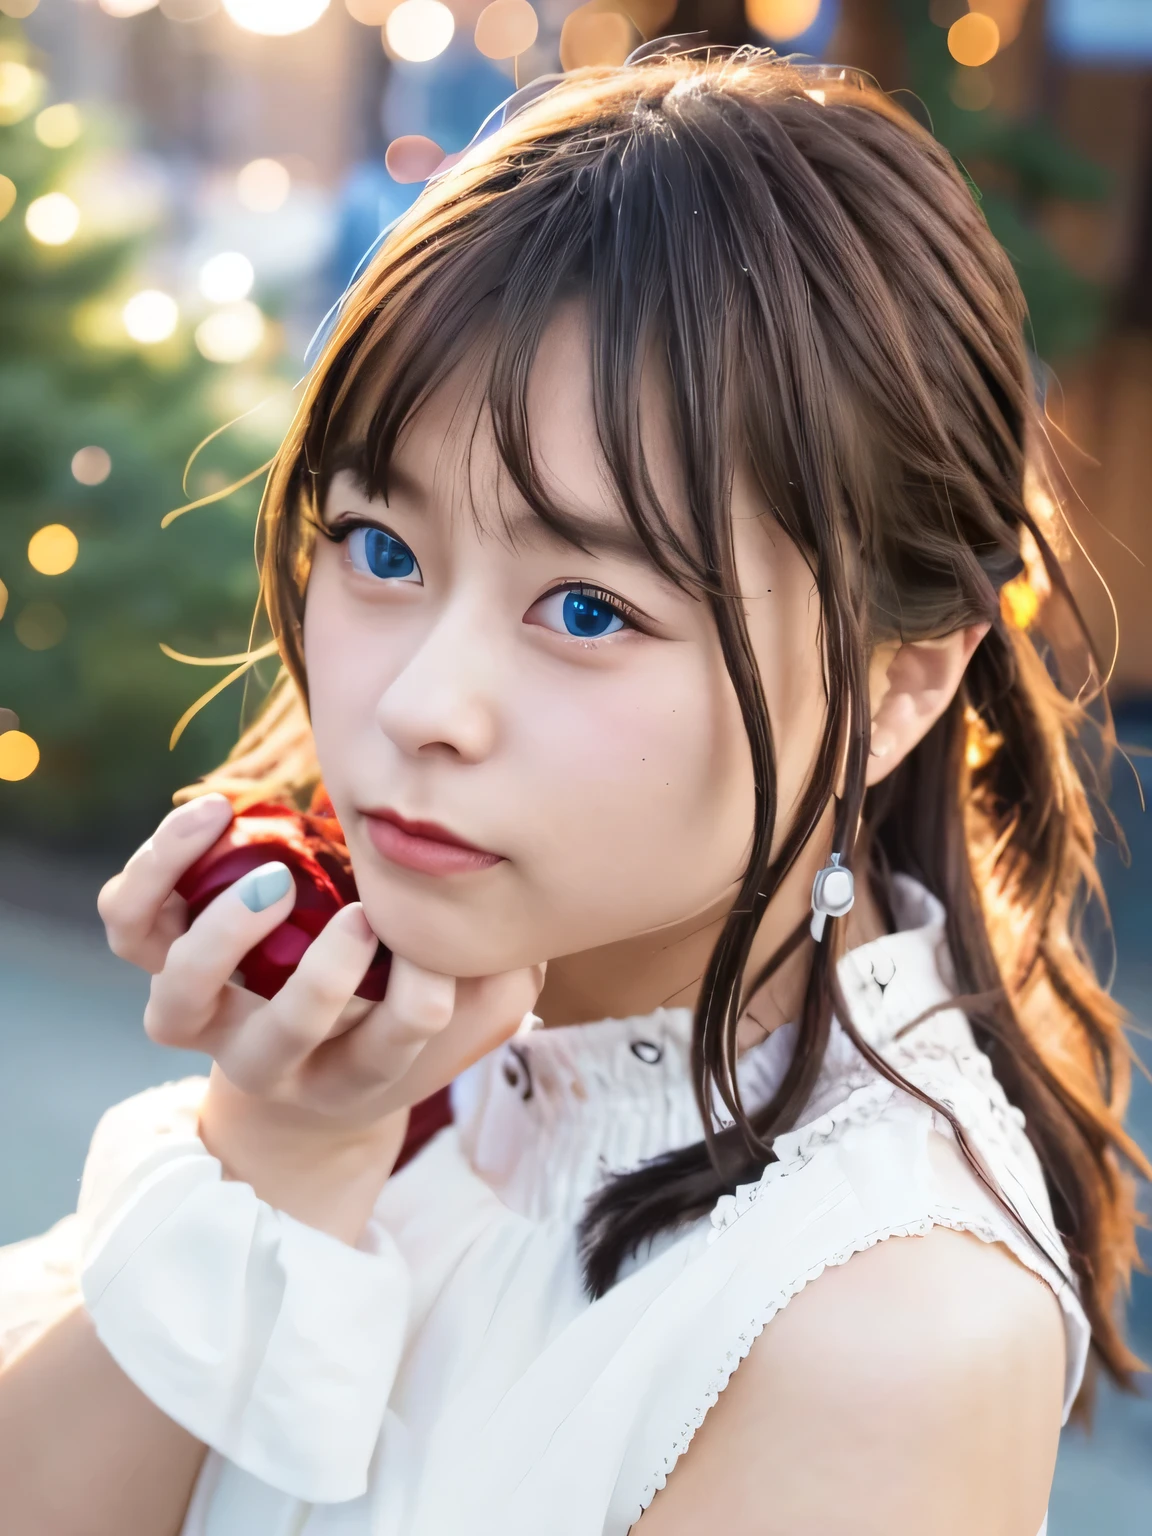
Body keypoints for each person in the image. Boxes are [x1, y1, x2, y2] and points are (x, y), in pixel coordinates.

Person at [0, 44, 1146, 1536]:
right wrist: (275, 1156)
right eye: (383, 548)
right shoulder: (415, 1021)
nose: (419, 706)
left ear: (899, 684)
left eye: (590, 610)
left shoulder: (885, 1324)